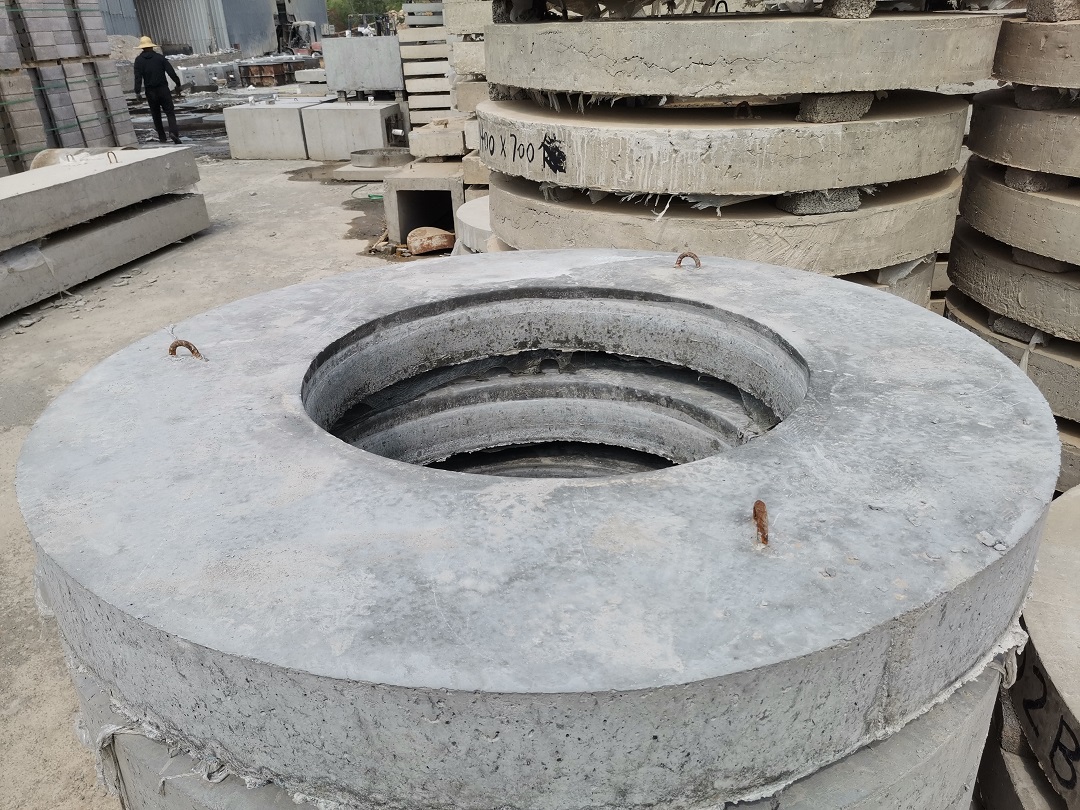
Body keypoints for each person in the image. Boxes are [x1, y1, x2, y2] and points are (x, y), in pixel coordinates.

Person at [133, 36, 183, 145]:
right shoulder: (160, 58)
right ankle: (173, 133)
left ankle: (162, 137)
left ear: (142, 48)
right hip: (163, 89)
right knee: (170, 112)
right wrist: (178, 84)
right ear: (152, 46)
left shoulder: (138, 61)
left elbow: (138, 78)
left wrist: (137, 92)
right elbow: (171, 72)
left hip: (150, 92)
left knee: (156, 115)